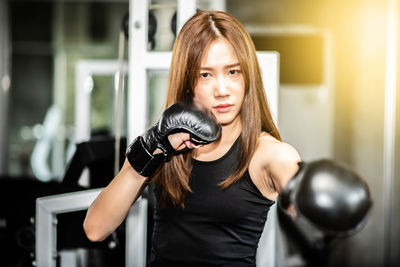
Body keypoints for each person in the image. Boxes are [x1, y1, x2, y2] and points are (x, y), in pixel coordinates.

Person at [83, 10, 371, 267]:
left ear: (248, 76)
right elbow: (95, 228)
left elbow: (287, 169)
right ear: (187, 82)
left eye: (233, 72)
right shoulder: (167, 141)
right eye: (205, 75)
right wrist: (154, 147)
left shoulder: (265, 153)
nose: (222, 89)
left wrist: (301, 187)